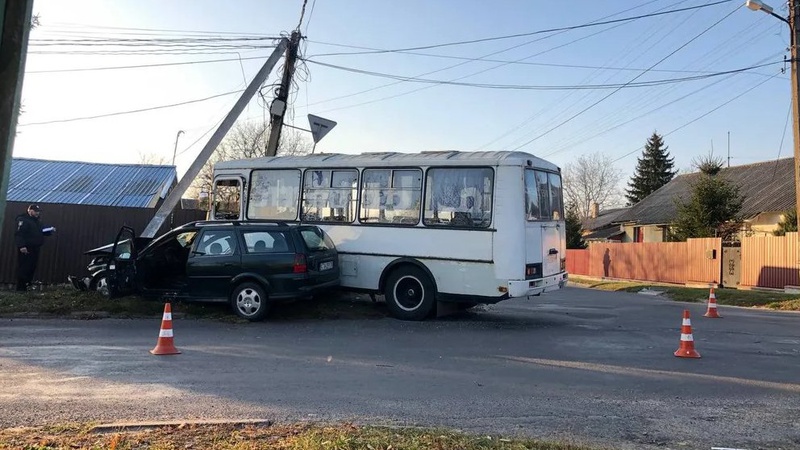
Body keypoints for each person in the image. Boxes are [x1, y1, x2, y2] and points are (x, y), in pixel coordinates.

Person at [14, 204, 55, 291]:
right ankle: (21, 288)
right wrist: (21, 246)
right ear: (30, 210)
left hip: (35, 248)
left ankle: (28, 285)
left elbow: (41, 231)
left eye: (38, 211)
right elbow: (19, 234)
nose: (37, 213)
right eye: (35, 211)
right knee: (24, 268)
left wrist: (50, 231)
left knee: (31, 267)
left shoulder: (36, 221)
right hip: (26, 248)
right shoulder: (23, 220)